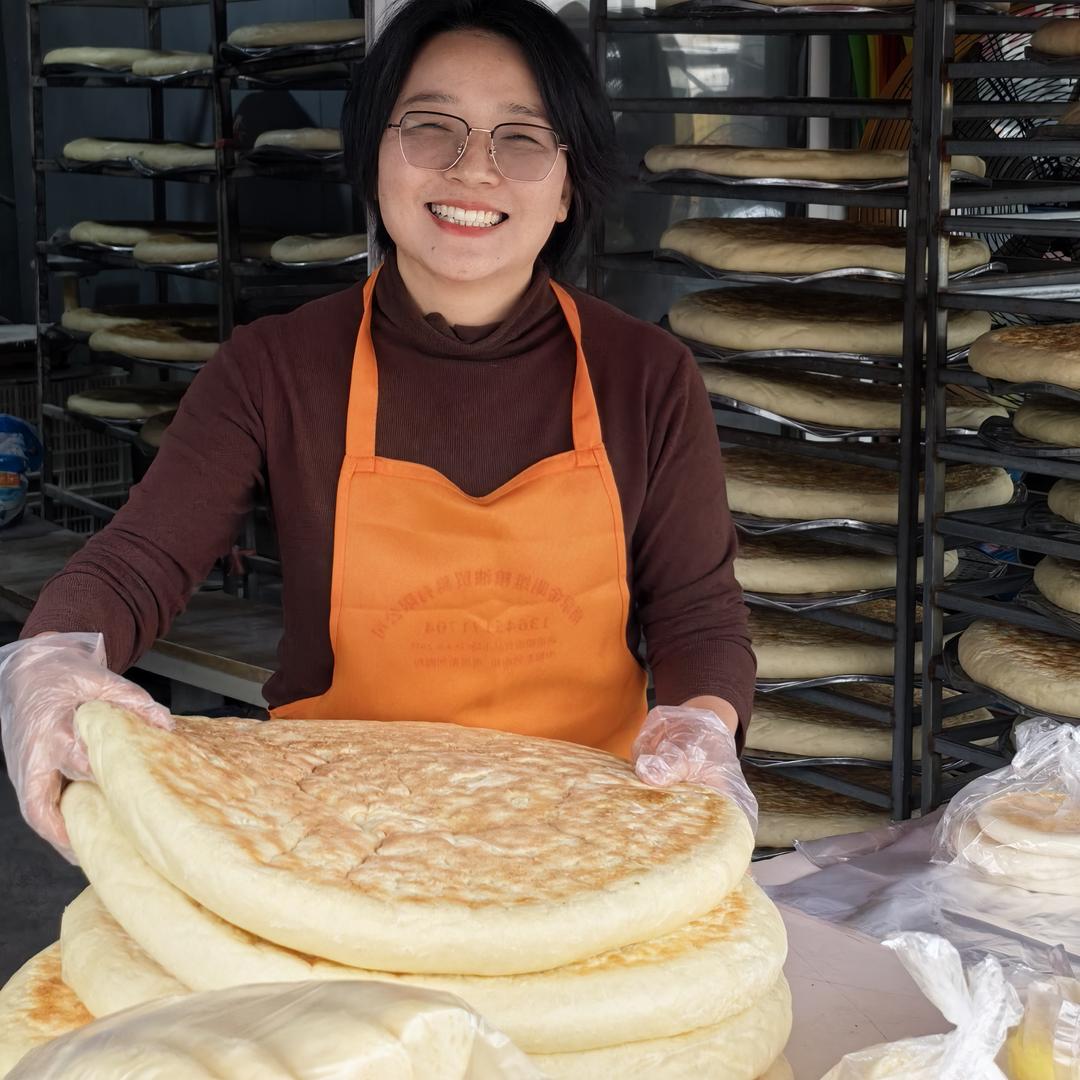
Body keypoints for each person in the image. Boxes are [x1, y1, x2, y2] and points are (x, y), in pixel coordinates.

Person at [0, 0, 756, 864]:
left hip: (582, 837)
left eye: (521, 137)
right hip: (332, 844)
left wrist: (704, 721)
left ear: (567, 186)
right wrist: (53, 658)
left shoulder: (647, 376)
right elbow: (141, 560)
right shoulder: (276, 367)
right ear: (373, 160)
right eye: (433, 128)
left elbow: (699, 613)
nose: (474, 170)